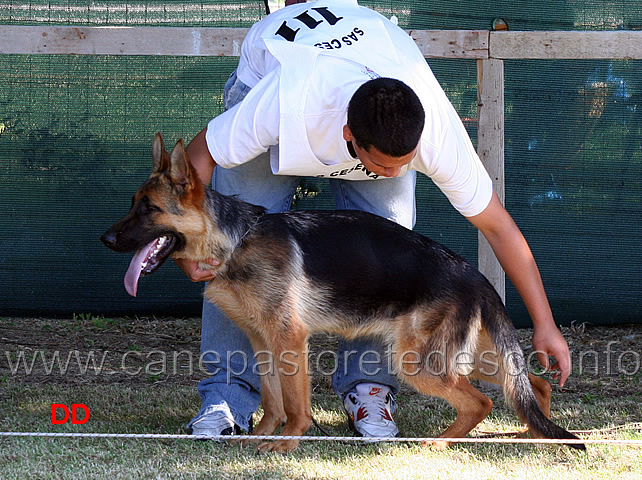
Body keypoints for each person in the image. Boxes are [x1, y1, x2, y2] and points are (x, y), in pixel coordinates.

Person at [176, 0, 572, 439]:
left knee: (389, 228)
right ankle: (227, 396)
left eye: (407, 161)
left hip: (369, 58)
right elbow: (200, 158)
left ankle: (368, 387)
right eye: (384, 166)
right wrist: (197, 248)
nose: (397, 173)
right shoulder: (282, 105)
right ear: (350, 137)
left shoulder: (433, 130)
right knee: (237, 254)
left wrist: (545, 323)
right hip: (276, 75)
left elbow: (499, 226)